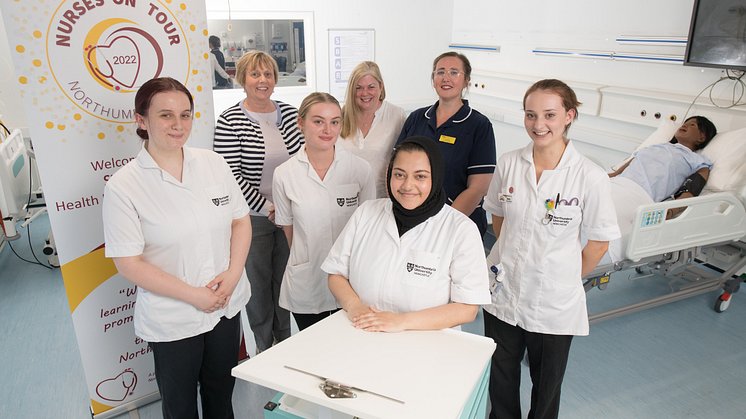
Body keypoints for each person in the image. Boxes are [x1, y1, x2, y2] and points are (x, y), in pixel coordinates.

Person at [103, 77, 251, 418]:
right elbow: (128, 263)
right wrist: (194, 295)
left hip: (224, 305)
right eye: (166, 115)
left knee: (221, 393)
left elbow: (240, 221)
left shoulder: (213, 162)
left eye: (186, 115)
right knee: (180, 405)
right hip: (174, 317)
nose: (178, 125)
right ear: (141, 121)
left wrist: (232, 274)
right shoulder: (125, 186)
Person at [482, 79, 620, 419]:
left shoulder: (589, 176)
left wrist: (560, 278)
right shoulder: (510, 162)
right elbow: (499, 220)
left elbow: (599, 244)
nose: (538, 124)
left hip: (553, 302)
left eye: (549, 115)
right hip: (502, 290)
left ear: (569, 116)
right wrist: (517, 260)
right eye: (531, 115)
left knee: (545, 386)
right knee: (500, 376)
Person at [322, 136, 491, 332]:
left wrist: (400, 322)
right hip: (362, 330)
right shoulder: (366, 213)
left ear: (436, 177)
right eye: (399, 175)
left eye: (420, 176)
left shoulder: (461, 229)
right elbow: (336, 273)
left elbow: (467, 308)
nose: (407, 186)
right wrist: (355, 308)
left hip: (425, 345)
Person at [214, 50, 303, 353]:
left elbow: (304, 160)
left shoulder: (291, 114)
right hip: (251, 218)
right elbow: (232, 175)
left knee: (284, 281)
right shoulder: (230, 120)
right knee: (257, 286)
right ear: (243, 80)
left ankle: (284, 341)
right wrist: (268, 207)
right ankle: (264, 348)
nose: (262, 80)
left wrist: (288, 206)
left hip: (290, 214)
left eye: (268, 74)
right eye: (255, 74)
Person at [273, 92, 375, 331]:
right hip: (306, 281)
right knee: (313, 354)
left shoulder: (360, 169)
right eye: (318, 121)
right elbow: (289, 230)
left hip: (353, 282)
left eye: (335, 121)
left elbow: (369, 227)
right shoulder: (285, 174)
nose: (328, 129)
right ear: (301, 123)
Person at [396, 51, 496, 238]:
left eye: (454, 72)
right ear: (433, 79)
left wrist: (441, 226)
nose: (446, 78)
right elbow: (394, 169)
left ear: (466, 81)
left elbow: (479, 187)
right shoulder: (417, 118)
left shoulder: (479, 126)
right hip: (412, 222)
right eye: (440, 72)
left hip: (457, 226)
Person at [605, 116, 716, 261]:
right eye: (685, 123)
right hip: (615, 184)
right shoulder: (656, 147)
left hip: (639, 196)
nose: (685, 126)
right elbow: (623, 168)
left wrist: (670, 211)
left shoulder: (698, 162)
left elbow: (690, 192)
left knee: (604, 223)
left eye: (693, 125)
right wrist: (603, 177)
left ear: (702, 137)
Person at [339, 61, 407, 198]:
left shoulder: (396, 115)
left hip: (381, 198)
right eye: (359, 88)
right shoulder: (340, 115)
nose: (365, 93)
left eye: (371, 87)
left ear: (381, 86)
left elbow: (404, 160)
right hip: (344, 199)